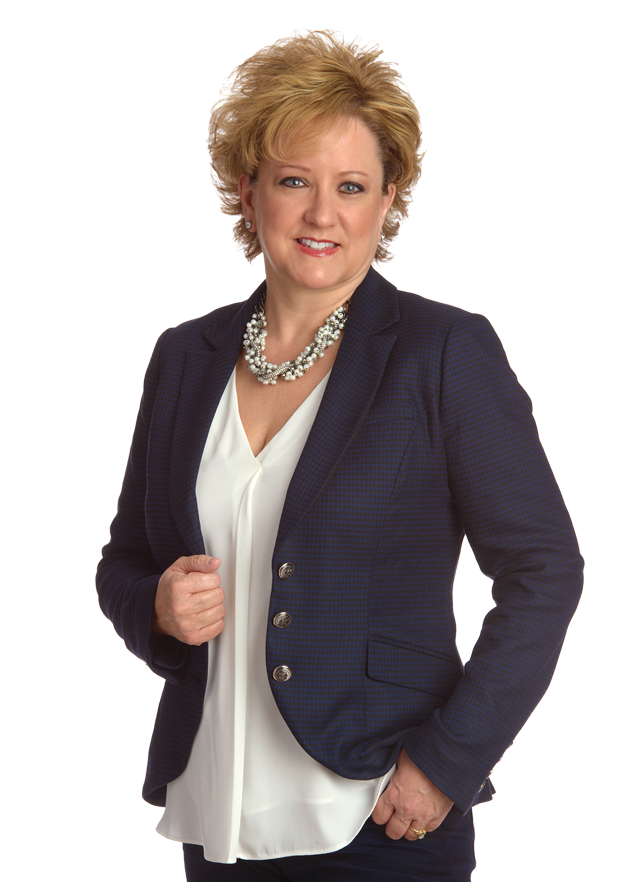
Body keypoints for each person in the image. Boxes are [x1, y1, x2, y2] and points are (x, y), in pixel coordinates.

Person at [96, 30, 583, 881]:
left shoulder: (443, 352)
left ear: (387, 201)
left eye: (351, 187)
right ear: (248, 192)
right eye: (295, 181)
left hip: (377, 816)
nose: (323, 215)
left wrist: (447, 763)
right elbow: (125, 562)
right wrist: (159, 610)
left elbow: (545, 570)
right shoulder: (185, 358)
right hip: (218, 814)